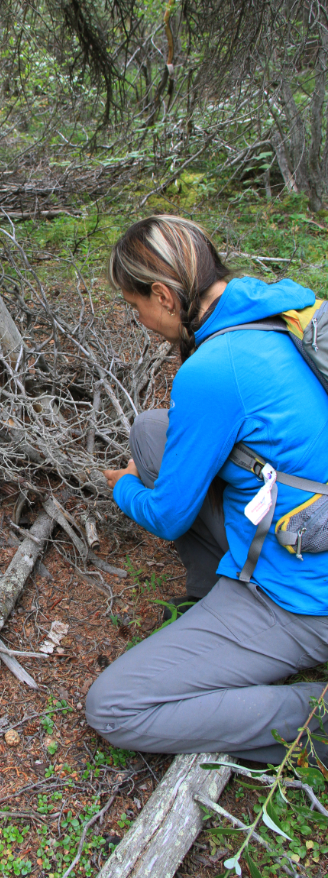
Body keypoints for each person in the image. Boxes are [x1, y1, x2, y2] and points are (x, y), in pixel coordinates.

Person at [86, 214, 328, 764]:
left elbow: (169, 516)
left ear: (165, 295)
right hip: (304, 528)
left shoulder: (215, 369)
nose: (140, 319)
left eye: (136, 305)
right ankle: (206, 590)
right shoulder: (271, 311)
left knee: (113, 708)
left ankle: (314, 719)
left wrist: (123, 488)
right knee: (152, 431)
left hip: (300, 596)